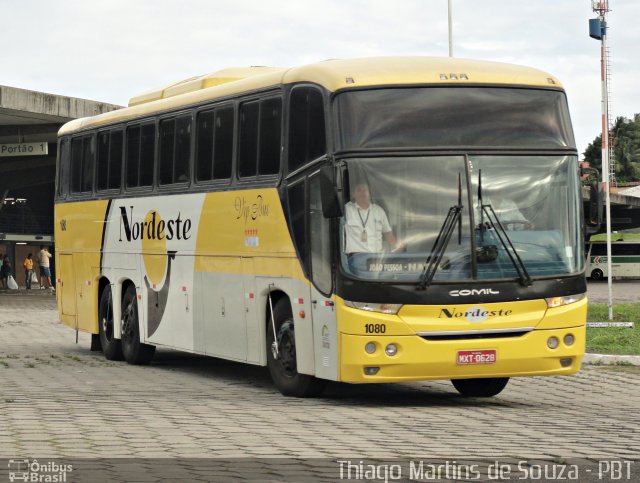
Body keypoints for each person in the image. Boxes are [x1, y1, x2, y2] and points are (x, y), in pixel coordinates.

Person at [344, 181, 402, 255]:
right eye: (359, 190)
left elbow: (388, 234)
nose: (362, 193)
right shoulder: (347, 210)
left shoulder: (379, 211)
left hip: (375, 259)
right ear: (353, 194)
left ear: (369, 193)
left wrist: (397, 246)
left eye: (365, 190)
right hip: (355, 258)